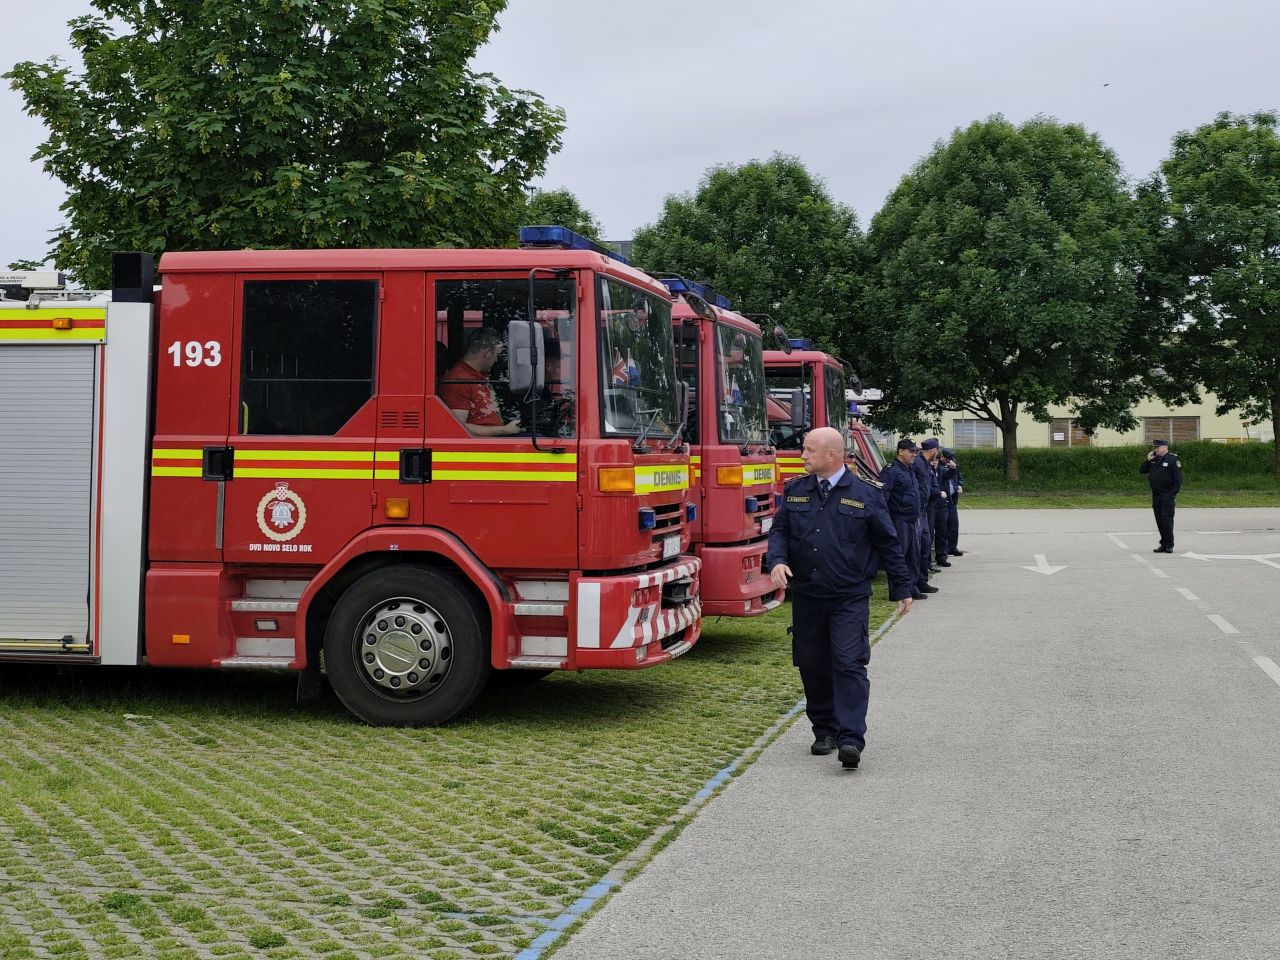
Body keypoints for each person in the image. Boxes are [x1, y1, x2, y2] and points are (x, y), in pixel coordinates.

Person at [767, 427, 914, 770]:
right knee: (812, 663)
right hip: (808, 594)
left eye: (809, 450)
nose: (802, 455)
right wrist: (777, 560)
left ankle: (850, 738)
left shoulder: (865, 494)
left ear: (831, 455)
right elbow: (779, 531)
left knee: (849, 663)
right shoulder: (796, 490)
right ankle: (825, 729)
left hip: (848, 595)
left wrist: (901, 587)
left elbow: (888, 542)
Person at [440, 327, 522, 437]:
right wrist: (504, 430)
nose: (496, 360)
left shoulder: (478, 375)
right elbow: (458, 427)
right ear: (487, 353)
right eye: (496, 355)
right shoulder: (459, 380)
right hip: (482, 443)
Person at [880, 439, 925, 600]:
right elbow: (883, 499)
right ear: (900, 451)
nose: (914, 455)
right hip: (898, 520)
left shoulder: (909, 470)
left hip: (911, 519)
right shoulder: (891, 471)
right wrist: (886, 523)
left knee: (913, 556)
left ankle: (911, 588)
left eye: (916, 452)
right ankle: (898, 592)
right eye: (911, 451)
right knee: (898, 557)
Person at [1140, 439, 1182, 552]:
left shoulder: (1173, 459)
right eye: (1155, 447)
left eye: (1157, 447)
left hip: (1167, 494)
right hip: (1156, 495)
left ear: (1164, 447)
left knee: (1166, 520)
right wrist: (1148, 460)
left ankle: (1169, 545)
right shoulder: (1154, 459)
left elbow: (1178, 480)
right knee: (1159, 520)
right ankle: (1163, 543)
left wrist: (1172, 494)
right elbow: (1142, 470)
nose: (1155, 449)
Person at [912, 438, 942, 591]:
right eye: (936, 451)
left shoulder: (925, 464)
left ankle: (922, 581)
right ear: (932, 450)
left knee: (925, 545)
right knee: (918, 548)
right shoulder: (918, 464)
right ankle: (916, 582)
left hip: (924, 509)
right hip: (917, 510)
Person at [943, 448, 965, 556]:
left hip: (952, 498)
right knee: (943, 525)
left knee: (954, 524)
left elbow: (959, 477)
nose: (951, 460)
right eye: (949, 458)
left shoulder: (954, 465)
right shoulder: (940, 466)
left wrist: (960, 485)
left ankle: (952, 547)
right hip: (943, 499)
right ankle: (944, 548)